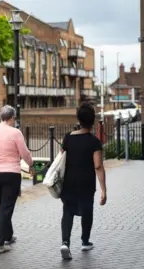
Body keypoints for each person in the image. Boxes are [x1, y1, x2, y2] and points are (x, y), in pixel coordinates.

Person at [0, 105, 35, 254]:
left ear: (0, 117)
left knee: (2, 207)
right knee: (6, 208)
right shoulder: (15, 133)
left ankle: (8, 236)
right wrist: (31, 165)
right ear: (12, 118)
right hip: (11, 174)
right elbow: (25, 153)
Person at [59, 102, 107, 260]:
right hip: (86, 183)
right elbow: (98, 166)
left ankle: (65, 242)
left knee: (68, 211)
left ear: (78, 119)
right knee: (87, 211)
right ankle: (85, 241)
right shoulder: (94, 142)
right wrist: (103, 190)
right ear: (92, 121)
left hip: (69, 182)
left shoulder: (67, 138)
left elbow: (61, 160)